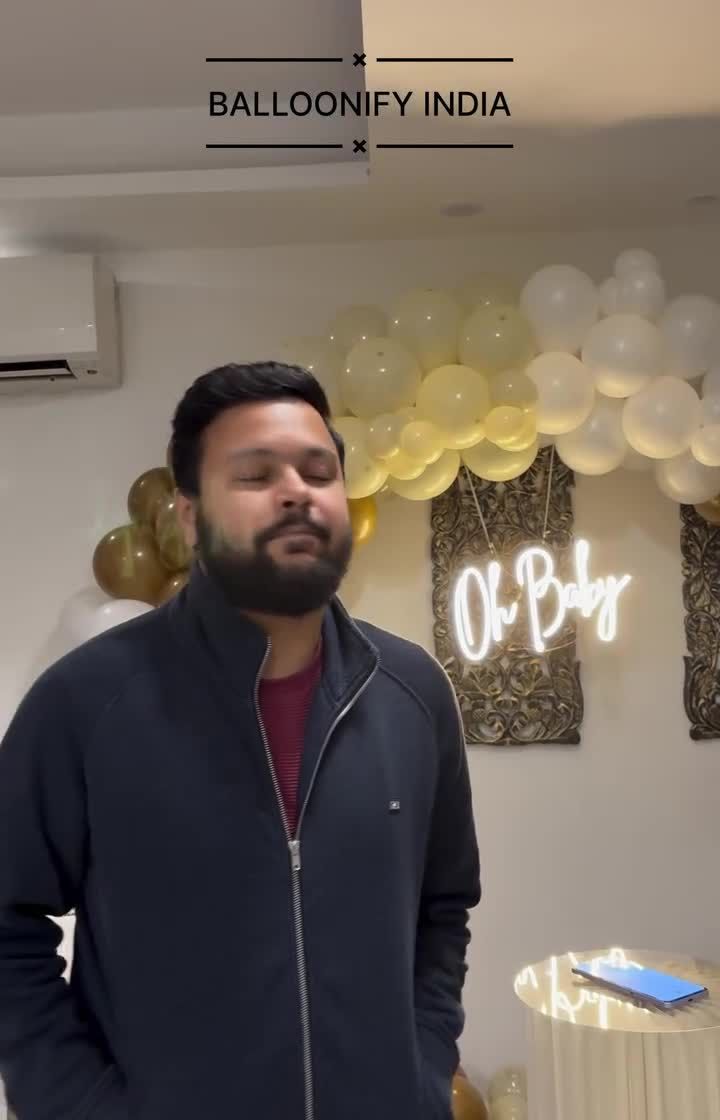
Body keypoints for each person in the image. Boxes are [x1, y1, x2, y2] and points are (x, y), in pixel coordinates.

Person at [0, 361, 481, 1120]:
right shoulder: (85, 703)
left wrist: (419, 1075)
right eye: (255, 475)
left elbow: (443, 909)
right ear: (189, 517)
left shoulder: (412, 694)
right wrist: (79, 1106)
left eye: (318, 472)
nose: (296, 491)